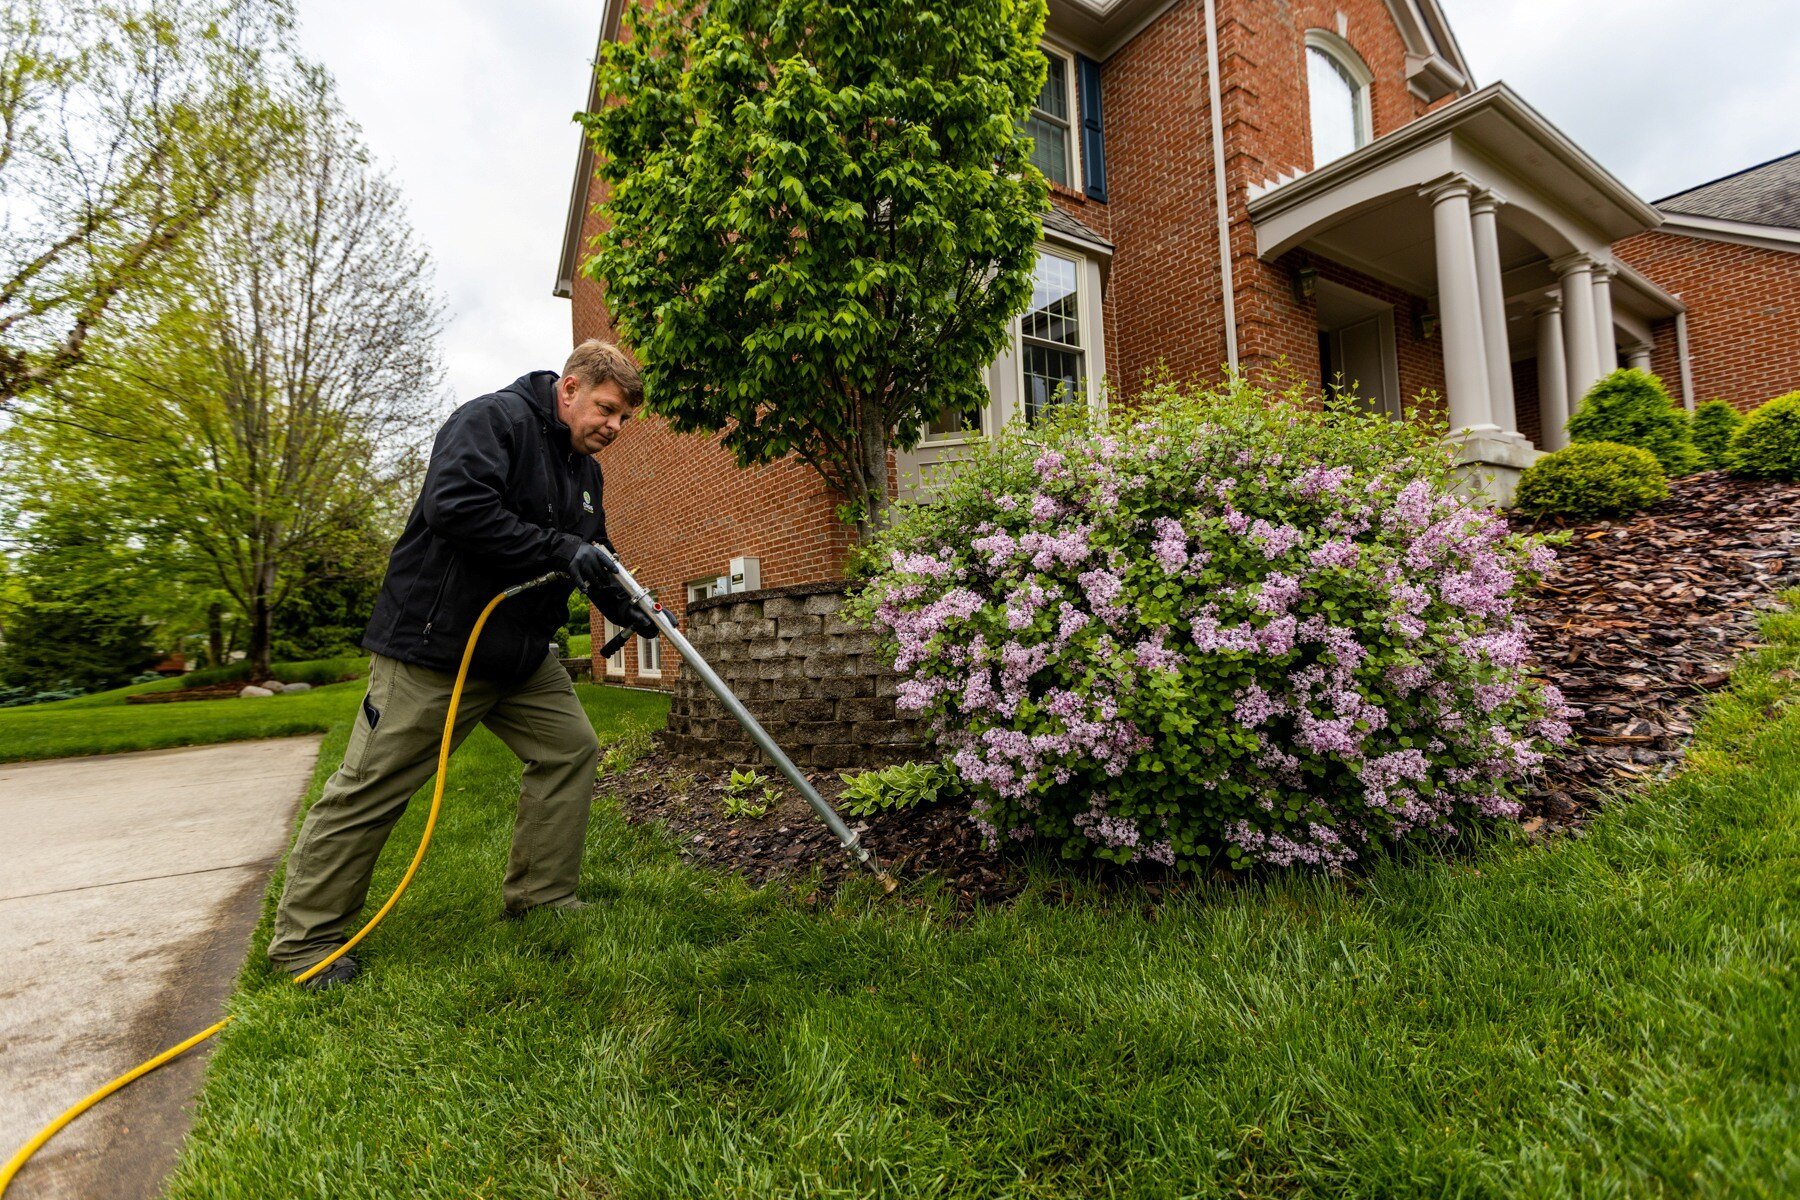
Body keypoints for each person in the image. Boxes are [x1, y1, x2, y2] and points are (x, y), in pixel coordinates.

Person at [267, 339, 658, 989]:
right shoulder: (492, 422)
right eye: (607, 410)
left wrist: (629, 603)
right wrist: (563, 549)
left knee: (569, 749)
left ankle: (542, 897)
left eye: (623, 418)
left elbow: (594, 552)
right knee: (371, 788)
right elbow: (456, 507)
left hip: (522, 656)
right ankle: (305, 945)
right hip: (438, 647)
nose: (614, 428)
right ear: (569, 390)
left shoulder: (583, 471)